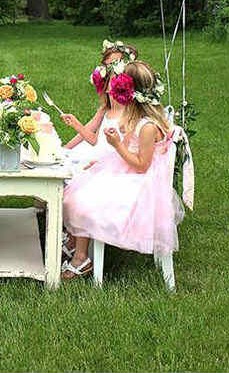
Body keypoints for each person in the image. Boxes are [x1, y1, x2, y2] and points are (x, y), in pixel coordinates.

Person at [61, 60, 183, 279]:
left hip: (141, 184)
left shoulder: (147, 126)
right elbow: (128, 150)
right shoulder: (134, 117)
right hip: (125, 170)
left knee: (84, 201)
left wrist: (116, 144)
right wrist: (105, 159)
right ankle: (77, 249)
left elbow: (141, 165)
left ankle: (81, 258)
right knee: (76, 193)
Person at [63, 40, 139, 163]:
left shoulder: (130, 112)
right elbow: (95, 139)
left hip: (111, 163)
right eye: (107, 66)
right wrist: (74, 128)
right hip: (98, 155)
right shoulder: (106, 108)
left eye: (115, 65)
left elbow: (126, 150)